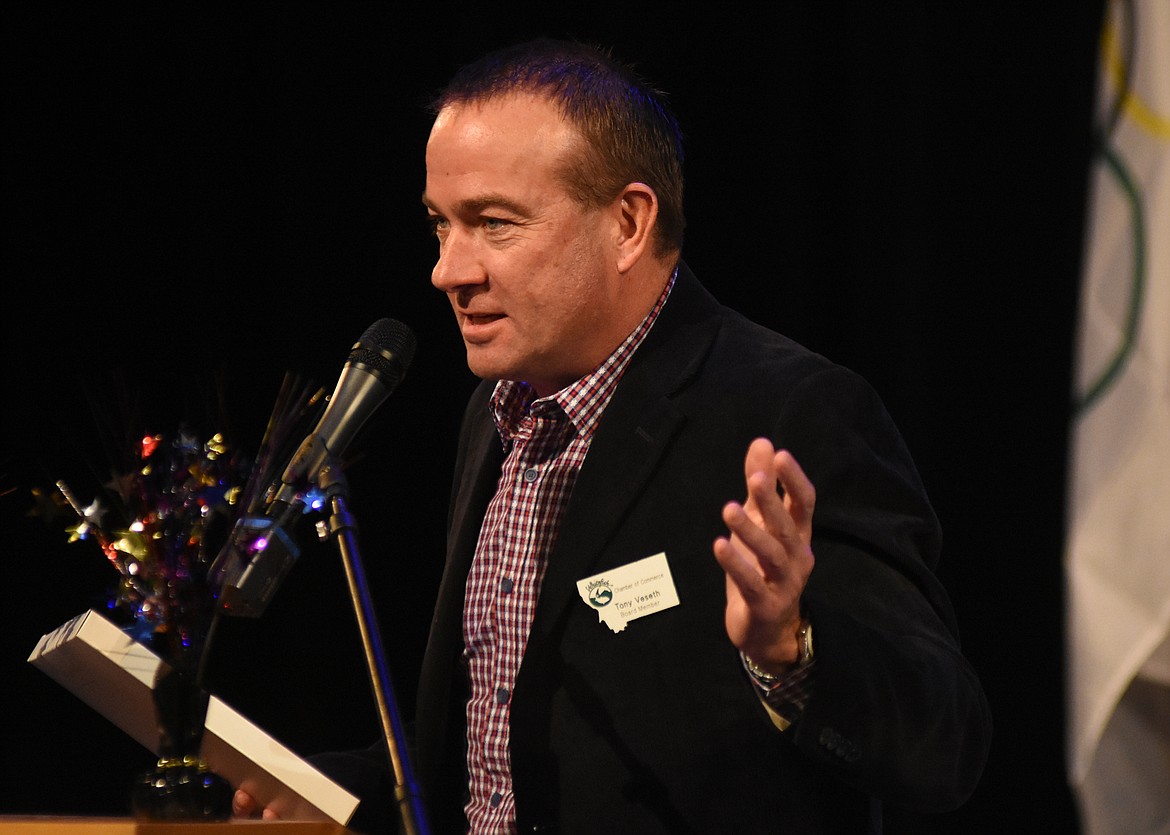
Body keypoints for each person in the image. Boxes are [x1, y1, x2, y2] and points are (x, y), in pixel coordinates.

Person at [235, 37, 992, 833]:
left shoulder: (790, 410)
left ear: (629, 222)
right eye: (439, 226)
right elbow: (506, 753)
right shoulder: (494, 418)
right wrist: (323, 792)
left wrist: (791, 648)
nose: (448, 270)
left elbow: (946, 745)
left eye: (494, 223)